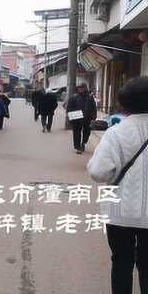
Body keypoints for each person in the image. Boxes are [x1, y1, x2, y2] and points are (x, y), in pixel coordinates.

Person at [87, 77, 148, 294]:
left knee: (121, 262)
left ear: (125, 103)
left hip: (120, 213)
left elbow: (98, 172)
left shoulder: (116, 132)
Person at [66, 83, 97, 154]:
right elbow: (69, 108)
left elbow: (94, 108)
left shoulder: (90, 97)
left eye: (82, 87)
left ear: (85, 88)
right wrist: (69, 116)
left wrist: (94, 117)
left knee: (87, 132)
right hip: (76, 118)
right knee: (76, 133)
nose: (80, 89)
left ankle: (83, 142)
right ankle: (78, 147)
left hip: (87, 118)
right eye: (79, 87)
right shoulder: (74, 97)